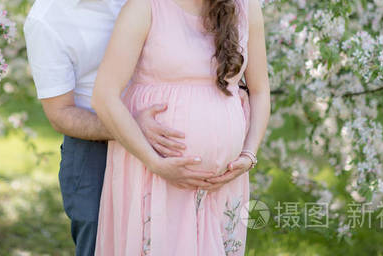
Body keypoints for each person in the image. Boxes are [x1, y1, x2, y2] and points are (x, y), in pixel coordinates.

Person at [23, 0, 251, 255]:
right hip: (95, 147)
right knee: (101, 243)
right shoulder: (46, 20)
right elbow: (60, 114)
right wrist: (132, 128)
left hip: (172, 144)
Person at [90, 0, 270, 254]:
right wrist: (154, 161)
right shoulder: (144, 8)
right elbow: (104, 96)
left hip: (223, 186)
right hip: (154, 173)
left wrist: (249, 155)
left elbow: (260, 90)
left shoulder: (246, 7)